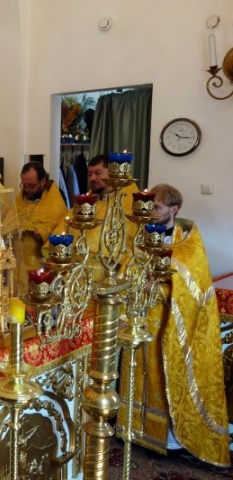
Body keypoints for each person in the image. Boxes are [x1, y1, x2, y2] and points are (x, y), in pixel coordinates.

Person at [117, 184, 230, 466]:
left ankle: (168, 439)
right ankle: (136, 430)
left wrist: (160, 283)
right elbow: (127, 269)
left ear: (173, 209)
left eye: (156, 207)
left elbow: (195, 288)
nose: (150, 212)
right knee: (135, 375)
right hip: (139, 320)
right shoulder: (142, 235)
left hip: (170, 326)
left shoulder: (189, 243)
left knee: (163, 380)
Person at [48, 154, 138, 281]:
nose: (93, 178)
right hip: (76, 272)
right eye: (90, 174)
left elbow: (133, 242)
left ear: (112, 173)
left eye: (98, 173)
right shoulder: (85, 203)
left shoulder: (127, 204)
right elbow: (63, 230)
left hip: (108, 275)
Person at [14, 162, 68, 273]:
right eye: (24, 185)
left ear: (42, 181)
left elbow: (62, 228)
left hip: (40, 264)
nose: (27, 189)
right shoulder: (21, 198)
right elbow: (11, 219)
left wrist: (43, 234)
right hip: (18, 263)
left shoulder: (55, 199)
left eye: (31, 185)